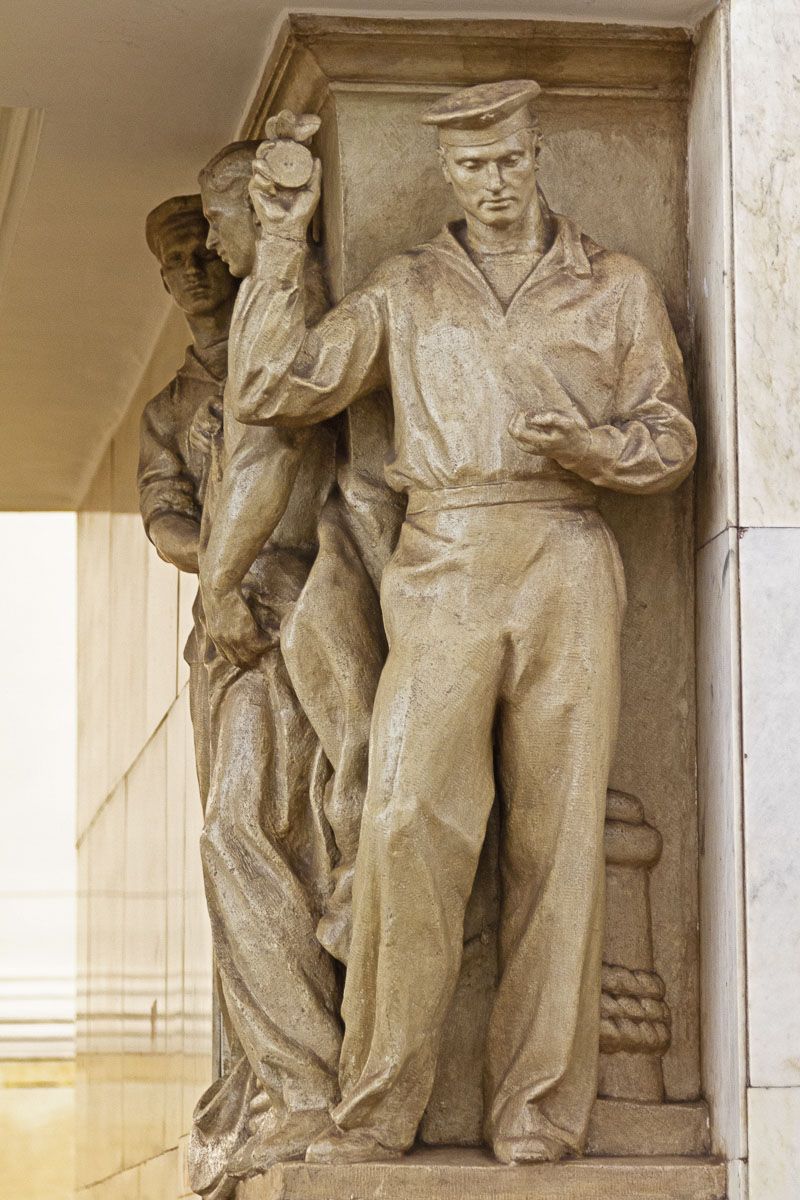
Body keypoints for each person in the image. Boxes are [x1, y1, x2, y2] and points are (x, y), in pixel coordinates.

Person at [224, 79, 697, 1167]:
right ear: (446, 173)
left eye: (510, 160)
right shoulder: (405, 291)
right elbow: (275, 383)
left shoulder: (612, 286)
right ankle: (380, 1103)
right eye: (472, 166)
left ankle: (537, 1110)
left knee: (558, 840)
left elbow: (668, 436)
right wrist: (284, 243)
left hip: (567, 554)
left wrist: (593, 450)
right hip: (440, 558)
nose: (494, 182)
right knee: (402, 825)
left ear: (537, 157)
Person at [173, 143, 341, 1197]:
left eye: (217, 218)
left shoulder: (279, 293)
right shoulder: (256, 304)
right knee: (258, 835)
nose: (212, 239)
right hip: (257, 602)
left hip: (275, 604)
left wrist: (223, 581)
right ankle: (287, 1083)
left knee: (242, 833)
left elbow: (271, 455)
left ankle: (304, 1087)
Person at [138, 194, 238, 806]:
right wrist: (224, 560)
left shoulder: (281, 360)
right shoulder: (165, 411)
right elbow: (165, 518)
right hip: (230, 607)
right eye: (179, 260)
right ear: (166, 280)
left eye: (204, 252)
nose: (195, 269)